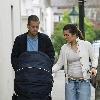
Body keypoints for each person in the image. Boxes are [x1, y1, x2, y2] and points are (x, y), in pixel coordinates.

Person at [11, 15, 55, 100]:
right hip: (24, 77)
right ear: (28, 26)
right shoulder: (20, 39)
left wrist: (47, 67)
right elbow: (14, 57)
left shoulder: (45, 39)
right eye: (33, 27)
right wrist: (19, 69)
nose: (35, 29)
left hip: (41, 77)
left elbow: (51, 55)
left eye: (37, 27)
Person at [52, 24, 98, 100]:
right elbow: (59, 64)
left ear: (74, 34)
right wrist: (49, 71)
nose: (65, 37)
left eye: (67, 35)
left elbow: (94, 58)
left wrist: (93, 67)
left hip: (84, 82)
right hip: (70, 83)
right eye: (64, 35)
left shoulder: (86, 45)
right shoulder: (64, 48)